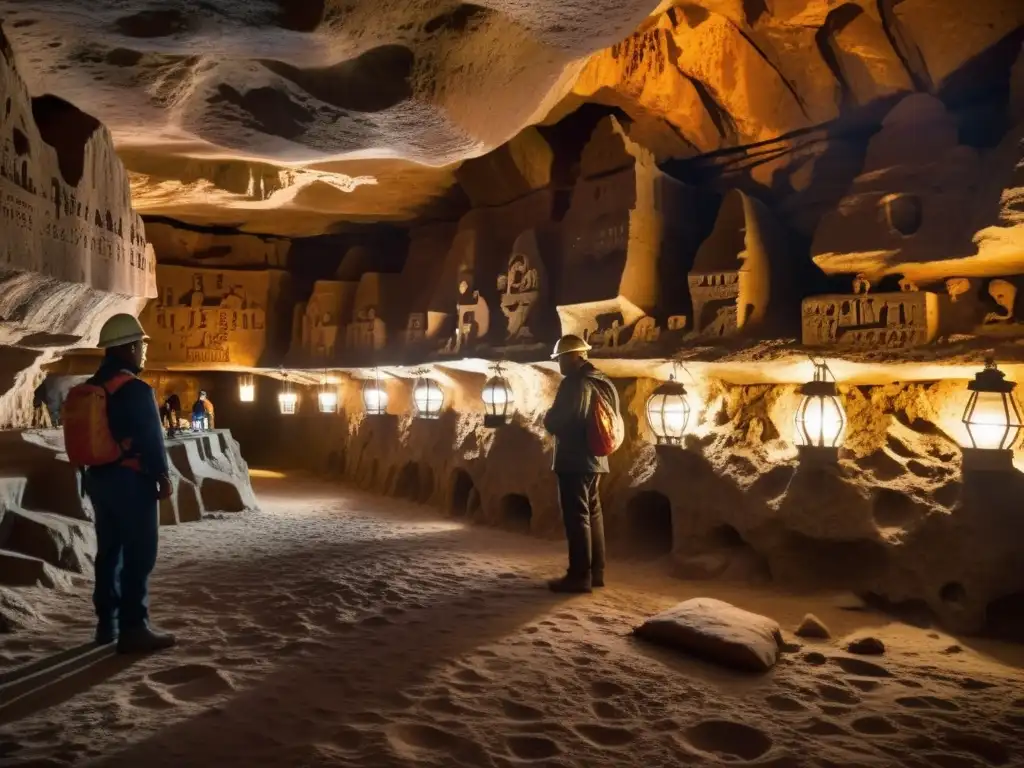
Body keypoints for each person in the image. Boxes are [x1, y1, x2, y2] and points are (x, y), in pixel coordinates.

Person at [81, 314, 176, 653]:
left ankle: (107, 625)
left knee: (109, 552)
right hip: (130, 480)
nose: (144, 351)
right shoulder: (135, 389)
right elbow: (152, 438)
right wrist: (161, 476)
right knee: (140, 553)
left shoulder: (93, 385)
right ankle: (134, 628)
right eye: (142, 345)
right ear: (131, 348)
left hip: (98, 478)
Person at [542, 334, 621, 594]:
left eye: (560, 359)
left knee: (577, 517)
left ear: (573, 356)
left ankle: (579, 576)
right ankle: (596, 572)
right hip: (596, 458)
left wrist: (548, 418)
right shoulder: (604, 381)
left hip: (575, 459)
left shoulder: (575, 383)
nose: (559, 365)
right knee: (593, 514)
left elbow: (563, 421)